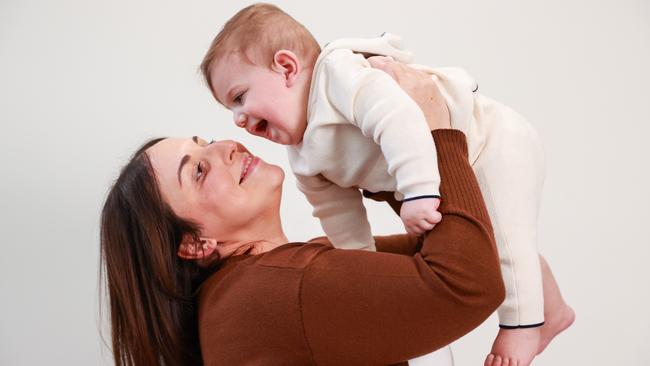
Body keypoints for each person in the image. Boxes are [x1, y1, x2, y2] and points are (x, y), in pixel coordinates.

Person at [199, 4, 574, 365]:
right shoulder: (303, 156)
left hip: (490, 143)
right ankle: (551, 306)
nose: (238, 120)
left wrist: (419, 189)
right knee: (499, 240)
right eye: (230, 108)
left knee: (509, 239)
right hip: (451, 169)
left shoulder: (338, 76)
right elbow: (336, 211)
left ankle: (523, 326)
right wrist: (360, 263)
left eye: (239, 97)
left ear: (286, 67)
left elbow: (399, 119)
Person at [100, 60, 505, 365]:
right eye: (199, 171)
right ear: (194, 243)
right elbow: (468, 282)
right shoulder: (278, 287)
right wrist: (434, 129)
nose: (225, 146)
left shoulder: (256, 290)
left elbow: (455, 244)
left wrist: (395, 162)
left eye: (204, 141)